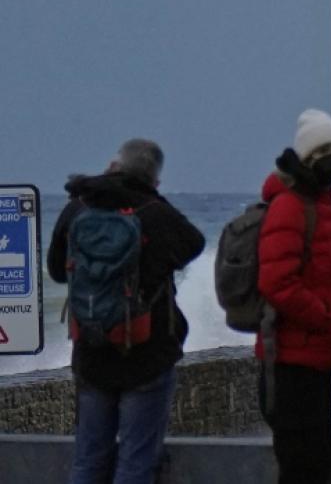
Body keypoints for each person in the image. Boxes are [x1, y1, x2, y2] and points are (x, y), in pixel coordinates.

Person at [48, 138, 206, 484]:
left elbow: (58, 271)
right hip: (146, 355)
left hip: (91, 351)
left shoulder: (79, 207)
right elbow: (194, 242)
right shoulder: (155, 212)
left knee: (88, 461)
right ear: (154, 179)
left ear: (113, 165)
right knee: (135, 465)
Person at [256, 109, 331, 484]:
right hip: (291, 358)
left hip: (321, 353)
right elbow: (277, 282)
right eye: (326, 152)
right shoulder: (289, 207)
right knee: (300, 463)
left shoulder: (326, 208)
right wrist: (328, 317)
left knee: (317, 461)